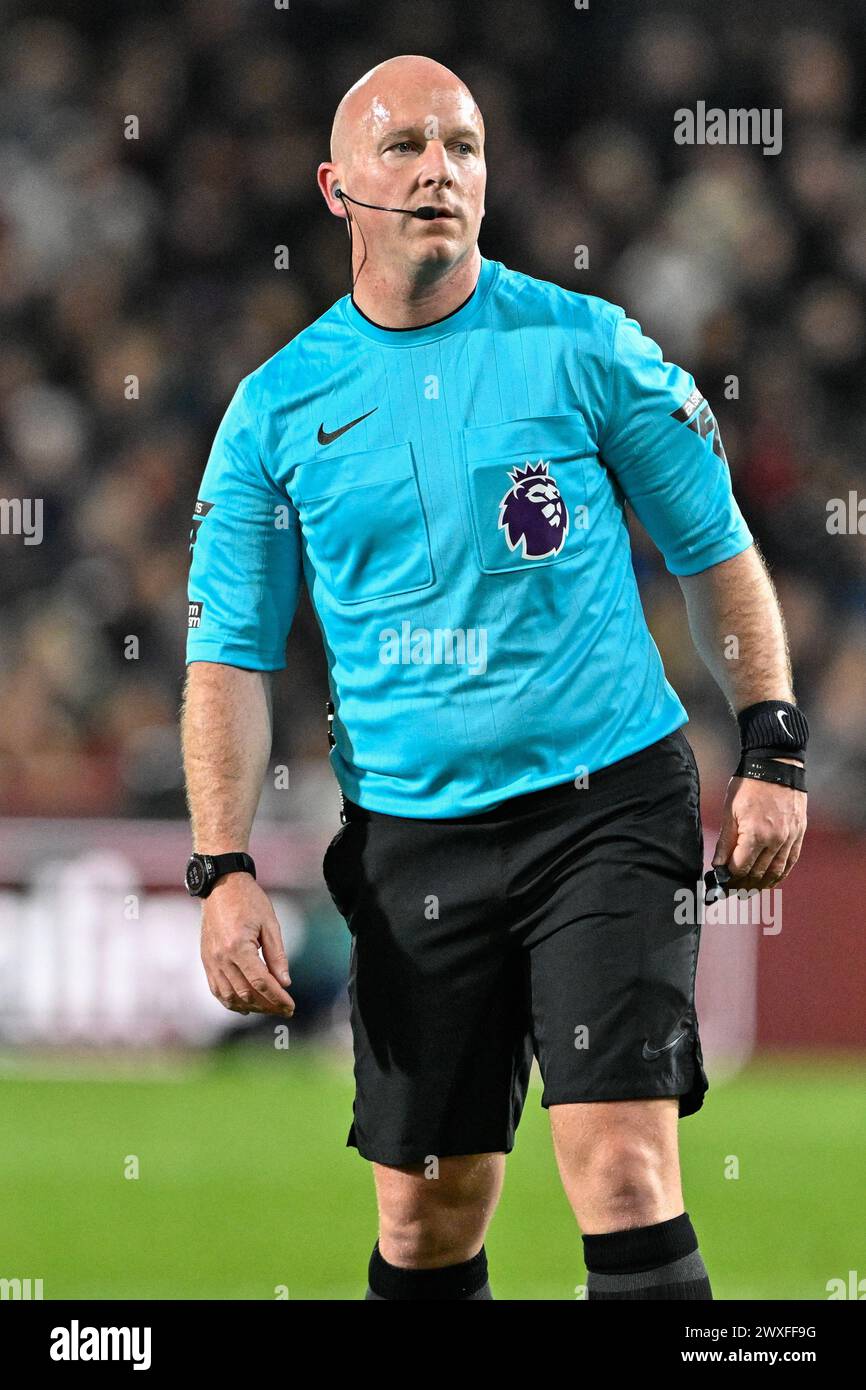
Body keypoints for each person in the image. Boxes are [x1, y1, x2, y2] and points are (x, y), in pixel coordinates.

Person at [180, 55, 808, 1301]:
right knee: (428, 1221)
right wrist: (222, 864)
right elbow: (228, 657)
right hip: (414, 840)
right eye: (404, 145)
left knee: (624, 1172)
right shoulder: (272, 412)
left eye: (461, 147)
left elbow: (714, 549)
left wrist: (772, 747)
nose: (436, 170)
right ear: (334, 187)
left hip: (604, 809)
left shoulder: (585, 347)